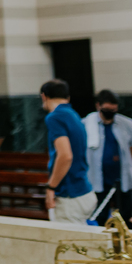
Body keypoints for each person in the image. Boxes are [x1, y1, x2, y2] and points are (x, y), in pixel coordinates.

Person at [39, 79, 95, 224]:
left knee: (69, 245)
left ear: (44, 96)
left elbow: (65, 156)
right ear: (67, 97)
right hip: (84, 190)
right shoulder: (73, 114)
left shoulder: (55, 117)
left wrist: (51, 187)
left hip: (70, 196)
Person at [82, 90, 132, 224]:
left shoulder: (127, 124)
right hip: (97, 178)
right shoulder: (86, 124)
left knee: (125, 216)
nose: (110, 112)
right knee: (99, 215)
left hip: (122, 178)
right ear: (98, 106)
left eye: (113, 110)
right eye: (107, 109)